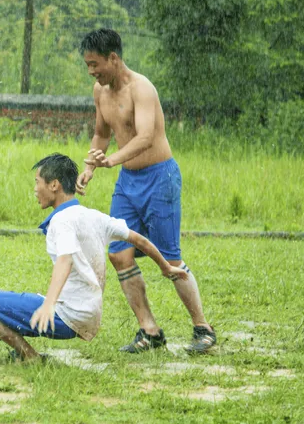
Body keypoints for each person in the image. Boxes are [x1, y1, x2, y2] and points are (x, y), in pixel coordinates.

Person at [0, 153, 188, 361]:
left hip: (66, 317)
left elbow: (65, 260)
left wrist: (49, 304)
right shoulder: (93, 216)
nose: (35, 189)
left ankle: (31, 358)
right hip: (89, 315)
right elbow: (139, 240)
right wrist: (165, 267)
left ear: (54, 185)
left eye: (37, 182)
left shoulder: (61, 221)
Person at [76, 28, 217, 354]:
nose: (91, 71)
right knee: (118, 252)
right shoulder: (100, 92)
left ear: (114, 57)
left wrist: (111, 160)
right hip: (128, 183)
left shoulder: (142, 89)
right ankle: (149, 331)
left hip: (160, 179)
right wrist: (90, 166)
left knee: (169, 258)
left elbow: (145, 137)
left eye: (95, 64)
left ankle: (203, 328)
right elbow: (100, 134)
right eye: (87, 65)